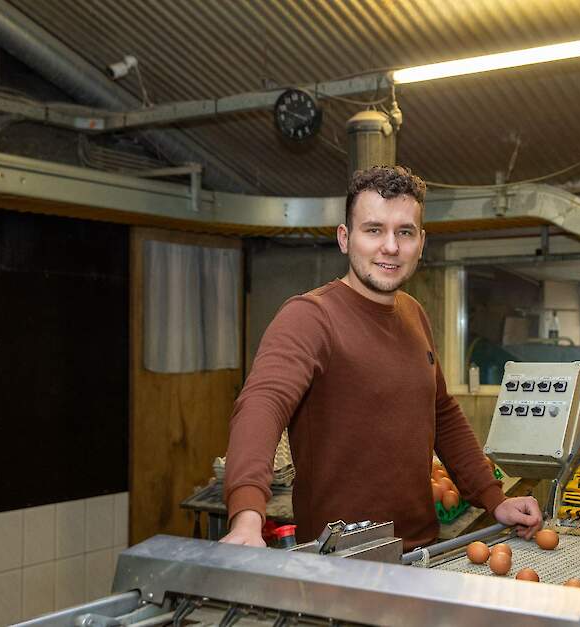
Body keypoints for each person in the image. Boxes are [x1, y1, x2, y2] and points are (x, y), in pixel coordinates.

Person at [221, 165, 543, 549]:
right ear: (345, 238)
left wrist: (495, 498)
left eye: (404, 232)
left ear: (421, 242)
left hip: (421, 553)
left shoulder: (414, 314)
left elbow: (441, 413)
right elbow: (262, 404)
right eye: (373, 230)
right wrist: (247, 517)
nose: (390, 246)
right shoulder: (309, 317)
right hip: (338, 562)